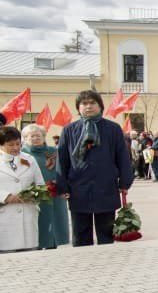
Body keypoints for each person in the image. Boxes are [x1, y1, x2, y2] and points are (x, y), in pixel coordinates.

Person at [57, 90, 133, 247]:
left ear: (100, 106)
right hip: (78, 187)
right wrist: (62, 186)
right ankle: (84, 266)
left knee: (106, 233)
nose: (88, 107)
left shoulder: (113, 129)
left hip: (105, 186)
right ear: (78, 108)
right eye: (84, 103)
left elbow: (123, 157)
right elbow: (62, 160)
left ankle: (106, 265)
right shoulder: (69, 130)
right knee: (80, 233)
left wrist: (125, 183)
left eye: (92, 103)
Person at [21, 124, 70, 249]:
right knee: (39, 221)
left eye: (39, 135)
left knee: (56, 219)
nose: (35, 138)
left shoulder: (54, 151)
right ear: (25, 138)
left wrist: (64, 185)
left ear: (44, 137)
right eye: (31, 136)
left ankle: (53, 244)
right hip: (35, 193)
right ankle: (37, 244)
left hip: (55, 192)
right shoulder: (23, 154)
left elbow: (64, 169)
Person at [1, 126, 44, 252]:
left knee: (30, 257)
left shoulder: (29, 159)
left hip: (28, 212)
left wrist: (31, 195)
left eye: (18, 144)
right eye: (10, 145)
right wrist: (6, 197)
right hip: (4, 216)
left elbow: (40, 185)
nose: (15, 148)